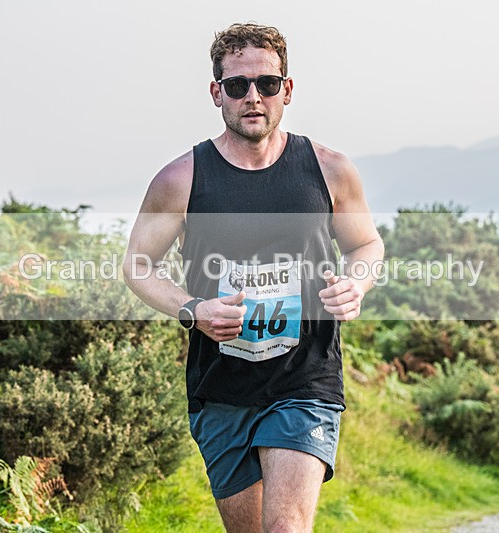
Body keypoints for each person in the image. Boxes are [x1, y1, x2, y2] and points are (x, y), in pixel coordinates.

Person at [123, 23, 383, 532]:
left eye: (266, 84)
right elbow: (138, 263)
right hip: (221, 386)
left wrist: (357, 283)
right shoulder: (180, 179)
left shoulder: (329, 170)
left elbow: (366, 246)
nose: (253, 97)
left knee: (285, 528)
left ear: (287, 89)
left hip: (305, 378)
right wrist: (193, 310)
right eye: (238, 85)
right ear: (216, 92)